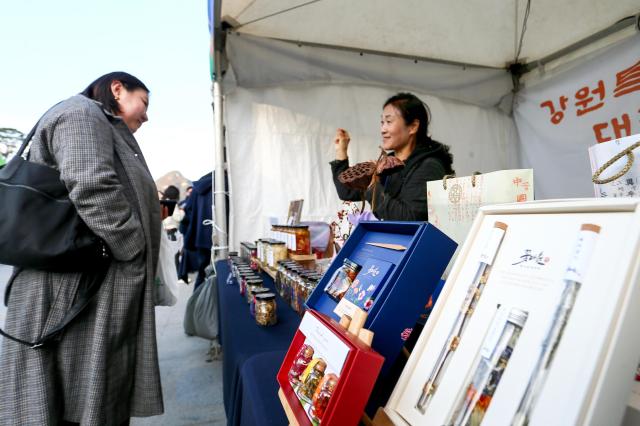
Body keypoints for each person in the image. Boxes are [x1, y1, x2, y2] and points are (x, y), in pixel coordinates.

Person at [0, 72, 163, 425]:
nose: (146, 115)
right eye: (144, 103)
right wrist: (132, 247)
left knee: (86, 396)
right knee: (66, 399)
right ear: (117, 89)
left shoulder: (104, 126)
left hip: (86, 286)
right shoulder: (82, 113)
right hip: (68, 290)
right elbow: (91, 184)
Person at [330, 92, 454, 221]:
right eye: (382, 122)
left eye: (389, 121)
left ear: (413, 126)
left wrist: (372, 186)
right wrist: (341, 150)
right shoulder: (388, 164)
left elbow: (410, 217)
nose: (383, 129)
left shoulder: (429, 166)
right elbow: (347, 191)